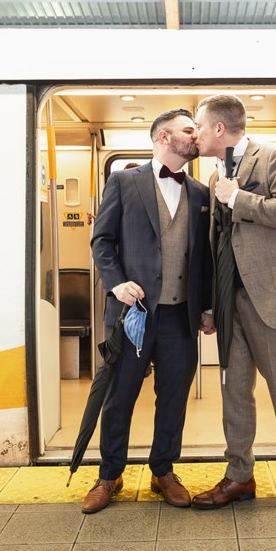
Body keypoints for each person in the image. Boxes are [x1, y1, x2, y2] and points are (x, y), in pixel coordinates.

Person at [190, 94, 276, 520]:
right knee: (234, 392)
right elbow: (216, 243)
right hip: (231, 301)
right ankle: (239, 475)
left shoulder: (274, 156)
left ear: (219, 130)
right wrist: (210, 304)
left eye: (199, 126)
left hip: (272, 296)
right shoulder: (213, 177)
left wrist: (239, 198)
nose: (196, 133)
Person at [85, 109, 213, 513]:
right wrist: (116, 282)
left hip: (180, 316)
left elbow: (205, 258)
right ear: (162, 137)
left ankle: (163, 470)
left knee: (173, 397)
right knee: (119, 396)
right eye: (188, 130)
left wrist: (207, 307)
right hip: (133, 313)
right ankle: (109, 474)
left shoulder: (199, 193)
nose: (196, 136)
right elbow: (101, 241)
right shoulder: (123, 181)